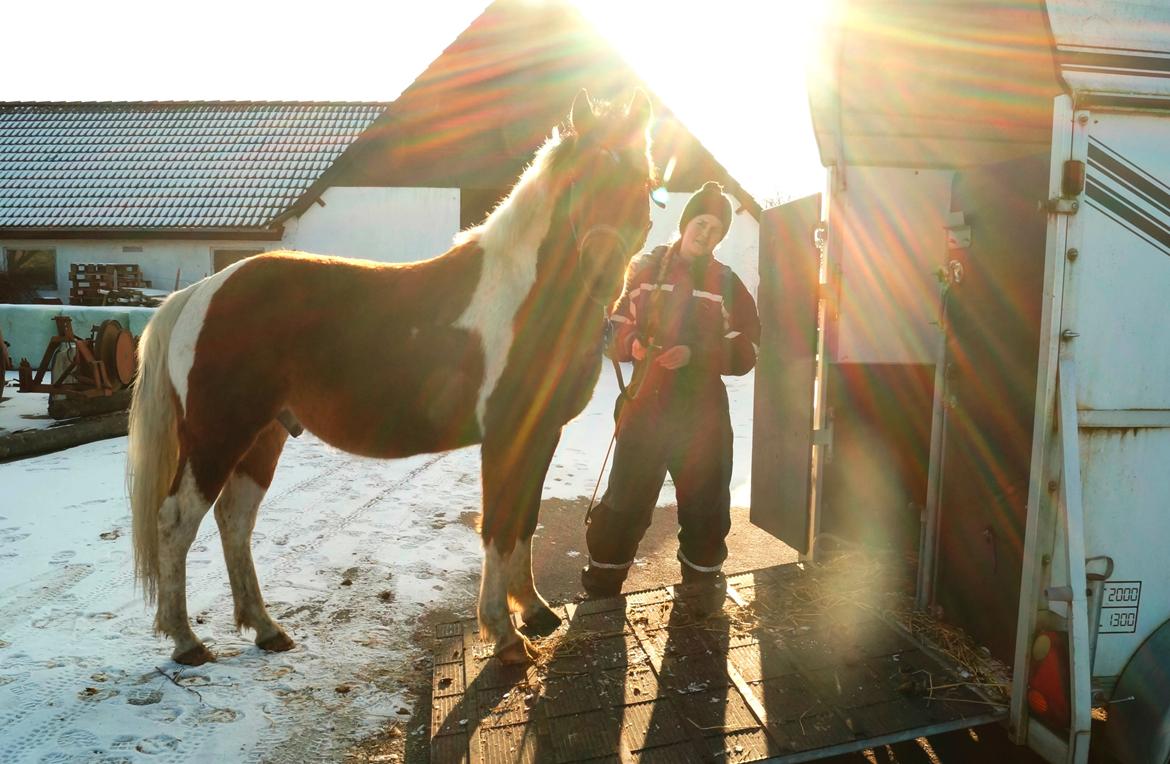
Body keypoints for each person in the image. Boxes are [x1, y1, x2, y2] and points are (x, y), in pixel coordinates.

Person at [582, 181, 761, 611]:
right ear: (685, 225)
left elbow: (747, 347)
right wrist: (633, 345)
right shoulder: (641, 272)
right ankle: (603, 590)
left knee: (706, 502)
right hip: (645, 406)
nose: (706, 234)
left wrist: (697, 355)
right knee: (624, 500)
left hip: (703, 415)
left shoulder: (727, 283)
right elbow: (612, 326)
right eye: (701, 224)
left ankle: (699, 592)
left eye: (716, 230)